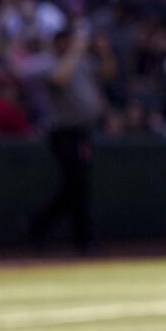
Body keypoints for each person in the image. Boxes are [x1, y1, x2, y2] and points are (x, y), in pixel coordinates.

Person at [28, 23, 106, 254]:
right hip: (62, 132)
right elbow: (58, 79)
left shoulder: (82, 63)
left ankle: (39, 227)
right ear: (59, 42)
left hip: (83, 131)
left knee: (76, 187)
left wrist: (105, 51)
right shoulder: (50, 62)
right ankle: (81, 239)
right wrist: (75, 50)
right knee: (77, 184)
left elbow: (107, 73)